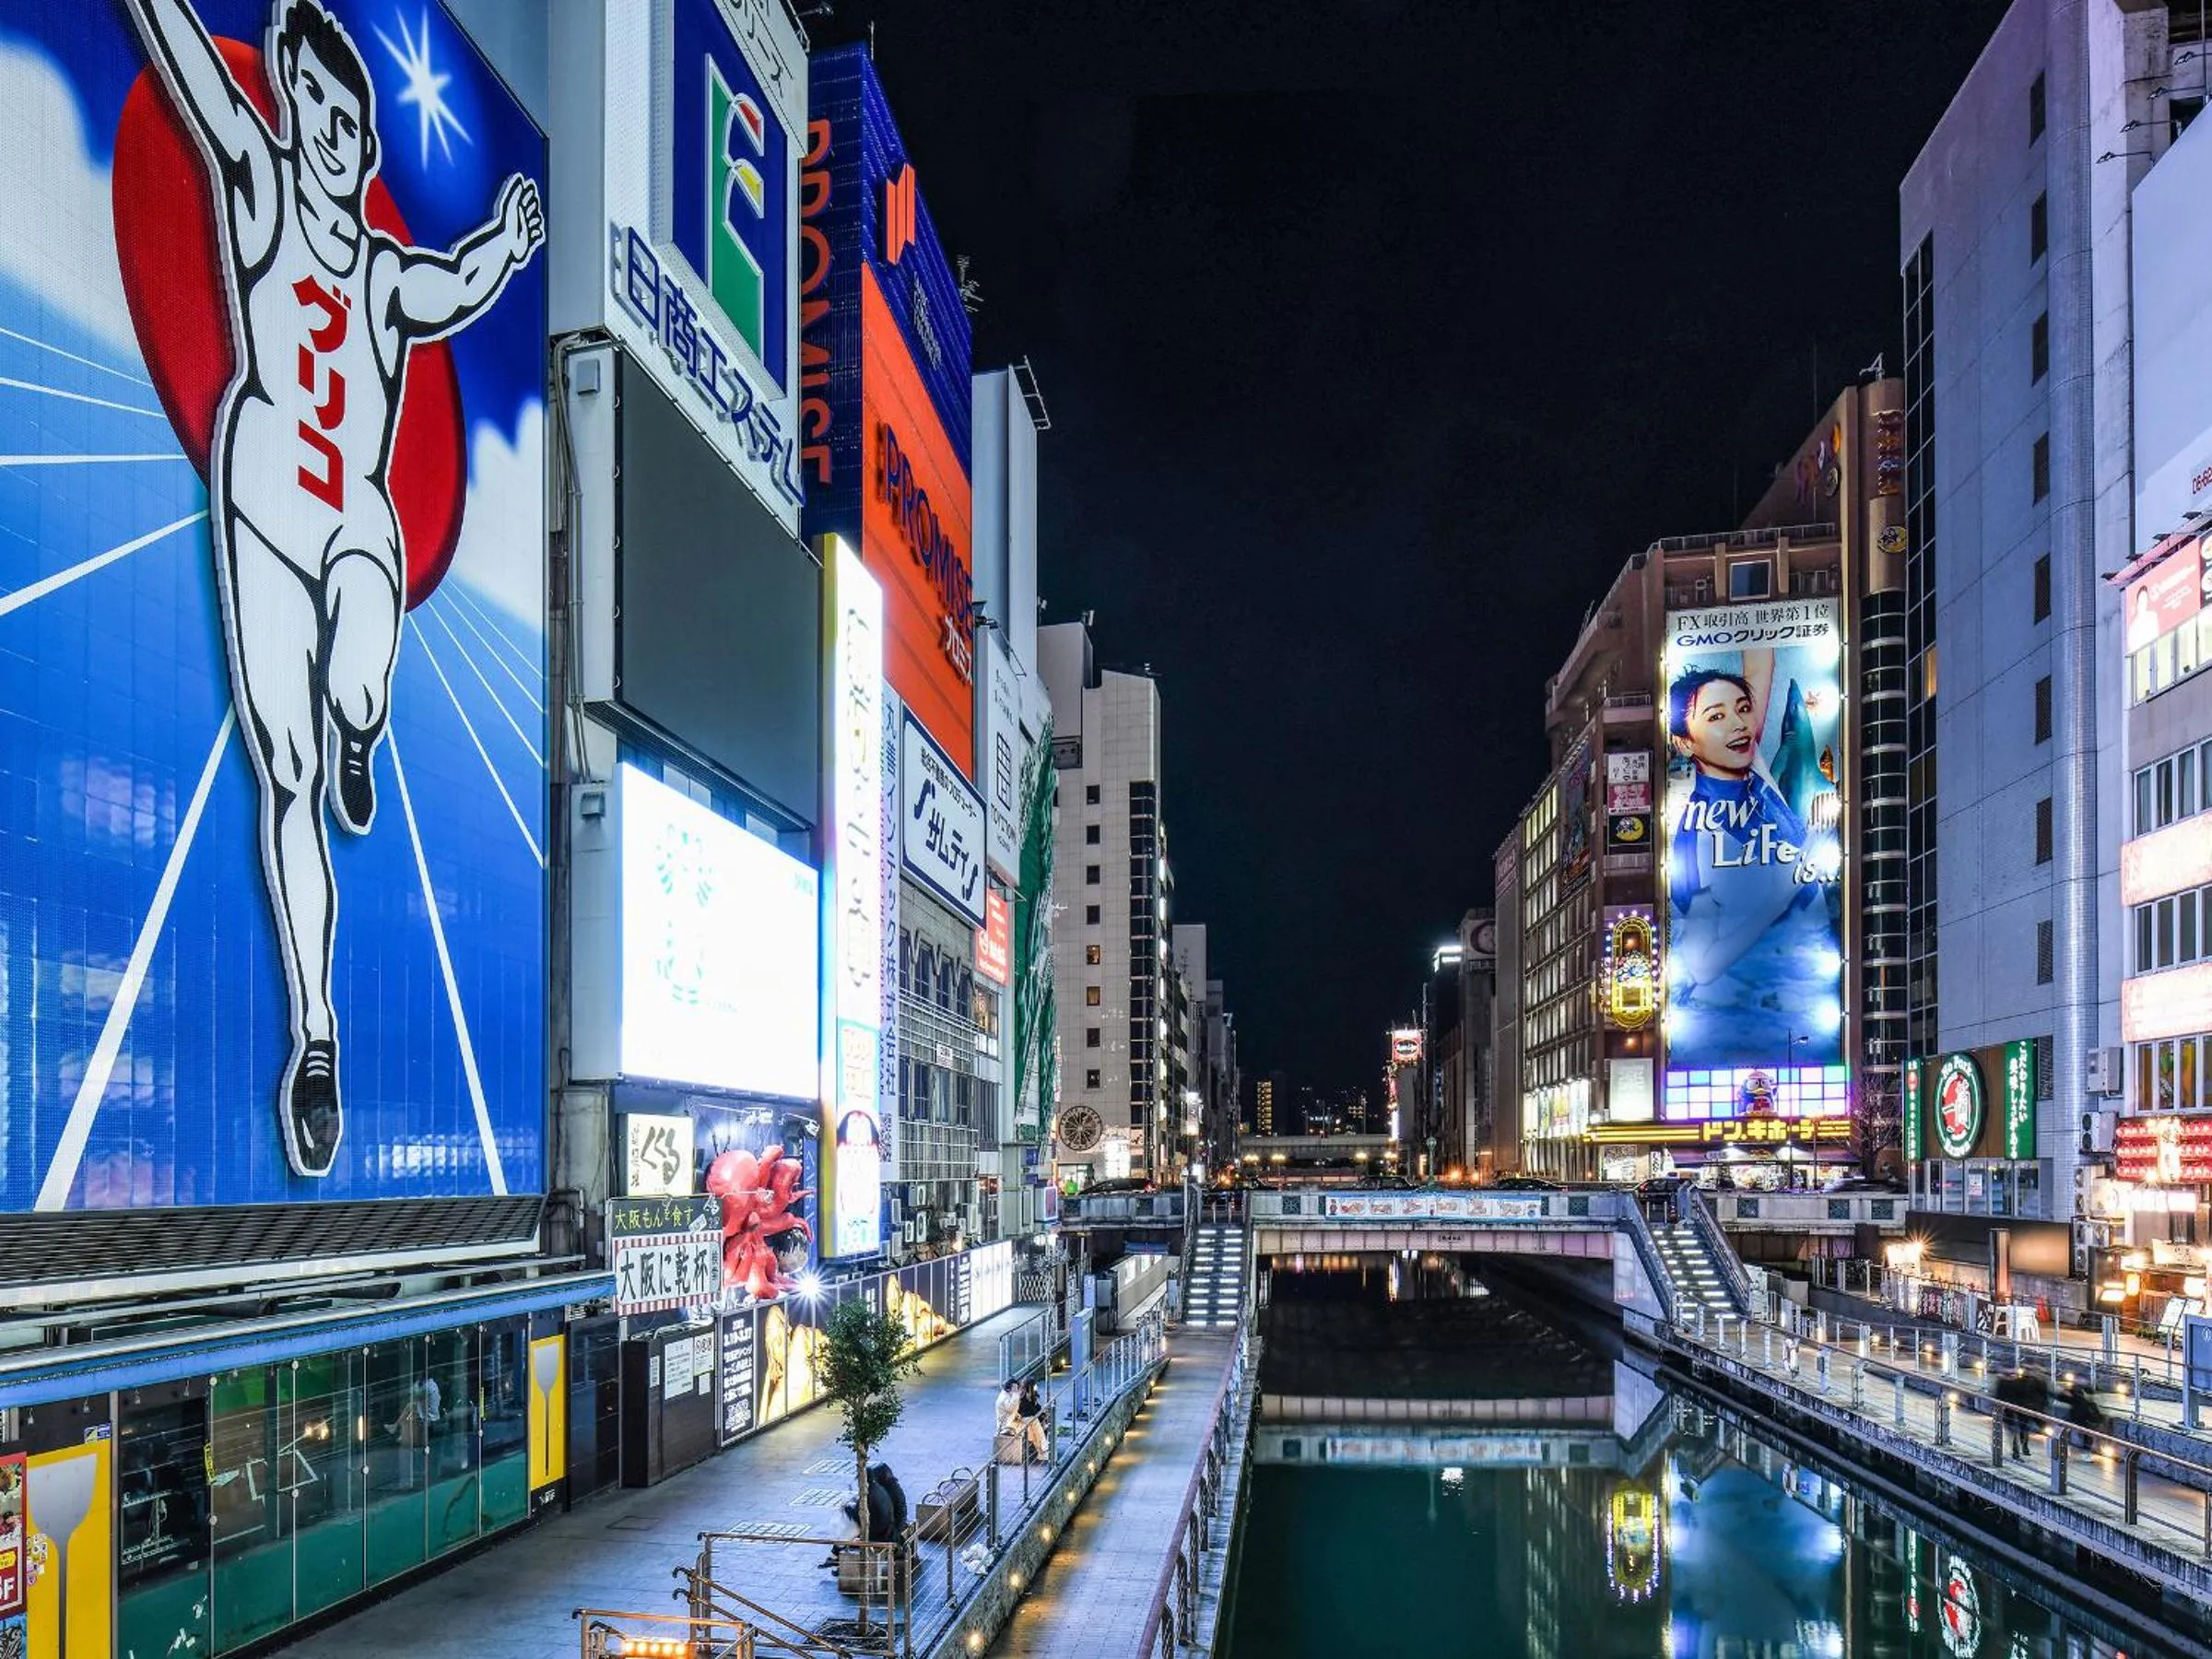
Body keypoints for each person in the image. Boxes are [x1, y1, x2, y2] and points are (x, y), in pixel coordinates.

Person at [122, 0, 544, 1176]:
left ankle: (365, 720)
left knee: (362, 648)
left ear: (363, 137)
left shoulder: (379, 270)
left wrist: (508, 247)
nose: (334, 132)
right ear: (294, 119)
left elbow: (454, 286)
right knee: (287, 779)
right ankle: (315, 1038)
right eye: (312, 105)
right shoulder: (254, 181)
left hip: (352, 504)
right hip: (259, 489)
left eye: (349, 116)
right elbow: (197, 74)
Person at [1018, 1381, 1048, 1463]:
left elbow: (1036, 1407)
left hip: (1030, 1418)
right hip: (1026, 1419)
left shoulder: (1030, 1395)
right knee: (1037, 1430)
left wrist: (1042, 1411)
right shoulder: (1024, 1397)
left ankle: (1042, 1451)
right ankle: (1043, 1451)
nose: (1036, 1387)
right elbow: (1028, 1411)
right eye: (1035, 1385)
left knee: (1036, 1430)